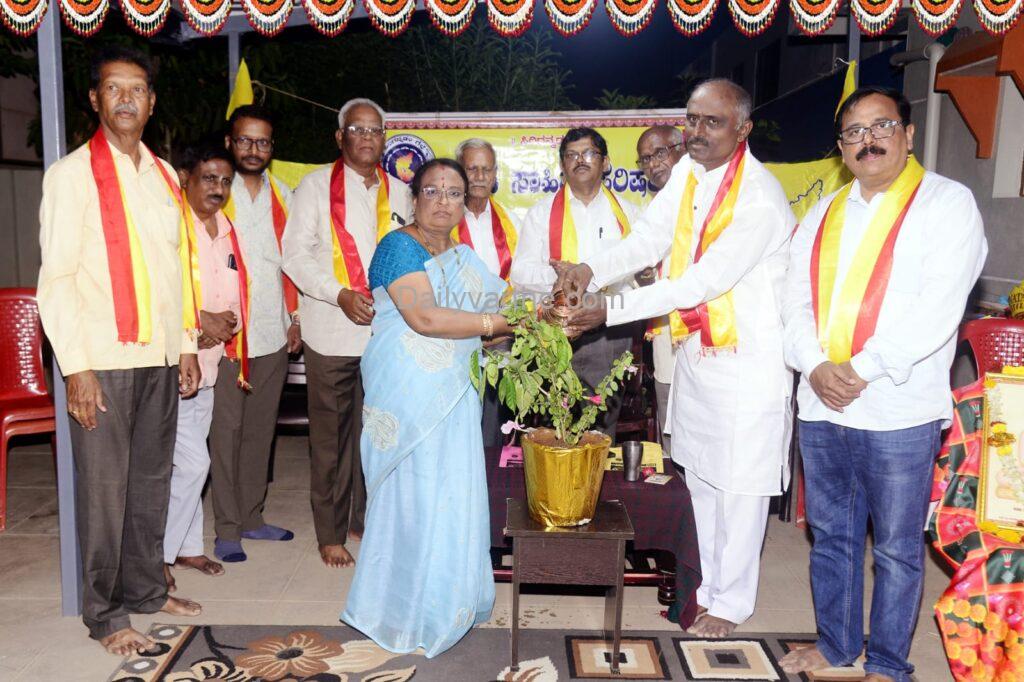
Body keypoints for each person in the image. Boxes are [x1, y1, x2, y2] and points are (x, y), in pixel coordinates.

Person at [561, 79, 796, 638]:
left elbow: (701, 282)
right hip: (697, 350)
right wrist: (591, 269)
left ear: (743, 130)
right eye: (691, 119)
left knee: (739, 486)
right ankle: (706, 586)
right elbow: (648, 238)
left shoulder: (759, 198)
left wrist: (609, 308)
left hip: (749, 362)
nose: (697, 132)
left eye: (713, 122)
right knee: (704, 478)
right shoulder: (690, 172)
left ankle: (731, 602)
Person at [779, 86, 987, 682]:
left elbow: (938, 307)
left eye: (881, 126)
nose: (867, 140)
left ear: (909, 134)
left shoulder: (947, 204)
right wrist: (815, 365)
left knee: (896, 548)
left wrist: (860, 369)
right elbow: (793, 302)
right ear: (841, 147)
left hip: (898, 408)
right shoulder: (822, 213)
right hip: (823, 404)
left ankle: (890, 664)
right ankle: (836, 644)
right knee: (831, 537)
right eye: (854, 132)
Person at [36, 47, 202, 656]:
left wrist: (185, 344)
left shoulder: (164, 176)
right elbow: (56, 280)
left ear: (152, 103)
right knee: (104, 492)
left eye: (137, 89)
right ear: (95, 99)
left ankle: (146, 589)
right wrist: (75, 367)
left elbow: (177, 269)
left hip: (159, 357)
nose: (126, 98)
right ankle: (104, 614)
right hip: (102, 359)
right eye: (114, 88)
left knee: (150, 484)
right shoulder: (71, 175)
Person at [341, 158, 511, 657]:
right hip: (408, 396)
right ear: (413, 199)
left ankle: (447, 602)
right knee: (412, 498)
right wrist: (499, 324)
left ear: (465, 202)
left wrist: (538, 311)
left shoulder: (463, 257)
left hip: (454, 395)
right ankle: (396, 611)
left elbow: (501, 305)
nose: (443, 201)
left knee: (451, 492)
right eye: (432, 191)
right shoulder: (397, 247)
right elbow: (426, 319)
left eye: (454, 193)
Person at [282, 98, 413, 568]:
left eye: (375, 130)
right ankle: (330, 533)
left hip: (386, 337)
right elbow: (295, 256)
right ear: (340, 137)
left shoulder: (402, 193)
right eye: (357, 129)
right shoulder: (315, 187)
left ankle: (364, 519)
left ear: (384, 139)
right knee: (332, 441)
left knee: (376, 435)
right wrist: (338, 294)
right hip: (332, 332)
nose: (366, 137)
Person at [209, 105, 299, 563]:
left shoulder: (283, 196)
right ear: (230, 142)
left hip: (272, 332)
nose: (253, 149)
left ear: (271, 148)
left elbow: (293, 262)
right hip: (227, 337)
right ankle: (227, 528)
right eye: (244, 140)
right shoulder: (214, 192)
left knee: (260, 433)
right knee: (226, 433)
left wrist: (295, 317)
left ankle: (251, 516)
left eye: (262, 142)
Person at [510, 127, 641, 435]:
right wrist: (559, 275)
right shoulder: (541, 213)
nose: (580, 160)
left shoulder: (630, 214)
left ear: (605, 162)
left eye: (589, 153)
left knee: (600, 427)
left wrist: (599, 287)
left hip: (608, 332)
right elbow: (520, 273)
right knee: (553, 426)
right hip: (553, 332)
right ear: (562, 165)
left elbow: (638, 275)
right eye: (571, 155)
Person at [164, 144, 244, 589]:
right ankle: (158, 556)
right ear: (185, 178)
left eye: (225, 181)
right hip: (173, 364)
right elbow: (161, 292)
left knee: (190, 463)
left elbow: (235, 293)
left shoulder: (227, 229)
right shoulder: (171, 225)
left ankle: (188, 547)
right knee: (194, 462)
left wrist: (225, 326)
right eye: (209, 178)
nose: (218, 188)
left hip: (210, 364)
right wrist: (197, 326)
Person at [453, 138, 520, 447]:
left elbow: (523, 285)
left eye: (486, 169)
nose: (479, 177)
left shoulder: (513, 223)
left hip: (500, 340)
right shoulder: (442, 222)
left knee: (494, 429)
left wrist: (502, 327)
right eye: (472, 169)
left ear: (495, 175)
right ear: (459, 172)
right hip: (453, 339)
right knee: (458, 428)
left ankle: (492, 475)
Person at [636, 125, 686, 453]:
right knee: (669, 420)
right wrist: (644, 279)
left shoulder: (709, 200)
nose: (653, 164)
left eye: (659, 153)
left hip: (707, 334)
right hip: (666, 334)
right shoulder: (651, 213)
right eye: (645, 159)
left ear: (683, 149)